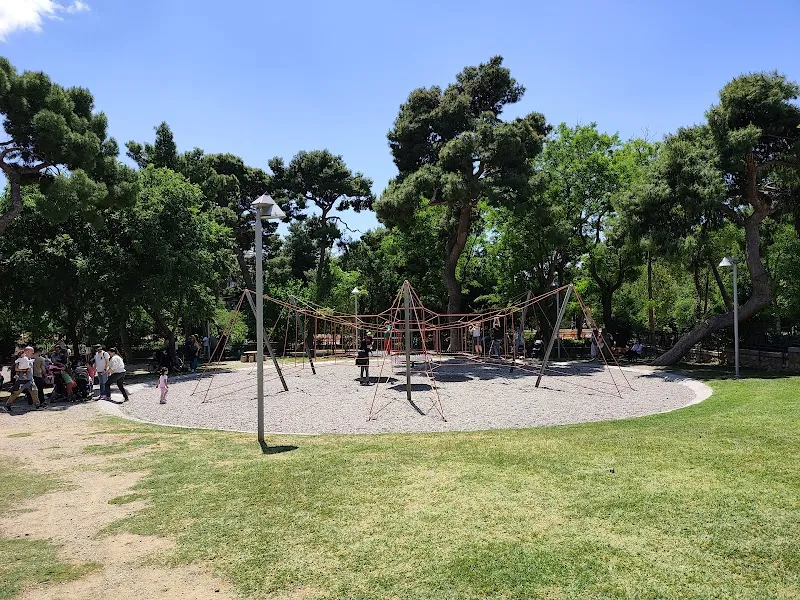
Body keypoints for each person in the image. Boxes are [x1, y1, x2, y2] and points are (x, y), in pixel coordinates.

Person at [4, 346, 42, 412]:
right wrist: (25, 370)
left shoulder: (30, 359)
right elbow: (16, 368)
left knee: (34, 392)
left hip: (30, 380)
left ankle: (37, 405)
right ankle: (7, 405)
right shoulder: (21, 359)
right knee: (15, 393)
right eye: (31, 351)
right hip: (21, 380)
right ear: (27, 351)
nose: (33, 352)